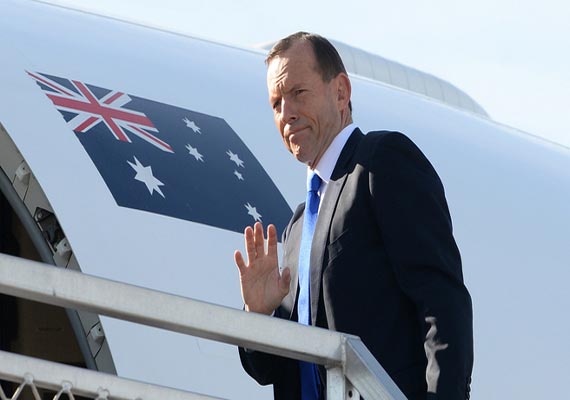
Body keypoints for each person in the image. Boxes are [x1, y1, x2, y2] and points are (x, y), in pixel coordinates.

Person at [233, 32, 473, 400]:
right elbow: (273, 370)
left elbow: (441, 302)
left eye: (298, 93)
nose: (286, 113)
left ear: (341, 92)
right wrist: (259, 316)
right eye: (276, 103)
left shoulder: (381, 161)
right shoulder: (297, 227)